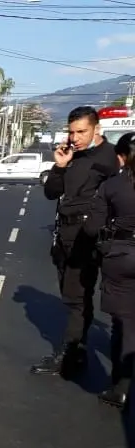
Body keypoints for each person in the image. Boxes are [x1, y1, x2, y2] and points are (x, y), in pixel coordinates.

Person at [32, 106, 118, 377]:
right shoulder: (72, 154)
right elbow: (51, 192)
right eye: (72, 132)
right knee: (73, 295)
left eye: (82, 132)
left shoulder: (109, 158)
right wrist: (60, 166)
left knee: (77, 297)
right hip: (65, 234)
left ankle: (71, 354)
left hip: (88, 236)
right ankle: (76, 350)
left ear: (96, 129)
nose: (75, 138)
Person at [93, 132, 135, 410]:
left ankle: (121, 386)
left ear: (121, 157)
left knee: (125, 322)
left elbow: (92, 227)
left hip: (122, 257)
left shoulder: (112, 186)